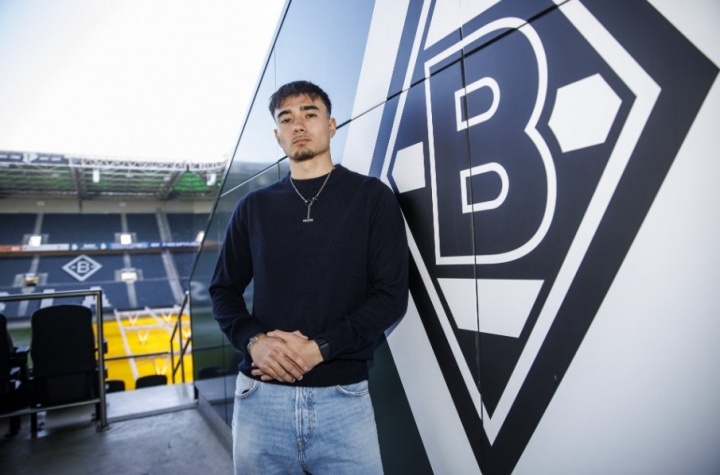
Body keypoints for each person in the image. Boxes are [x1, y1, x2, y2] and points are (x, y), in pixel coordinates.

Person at [209, 80, 409, 474]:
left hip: (343, 400)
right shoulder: (253, 207)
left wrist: (319, 349)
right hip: (261, 400)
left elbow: (390, 297)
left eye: (309, 114)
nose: (298, 125)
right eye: (286, 118)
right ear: (277, 136)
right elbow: (223, 290)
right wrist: (255, 343)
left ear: (331, 126)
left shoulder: (372, 197)